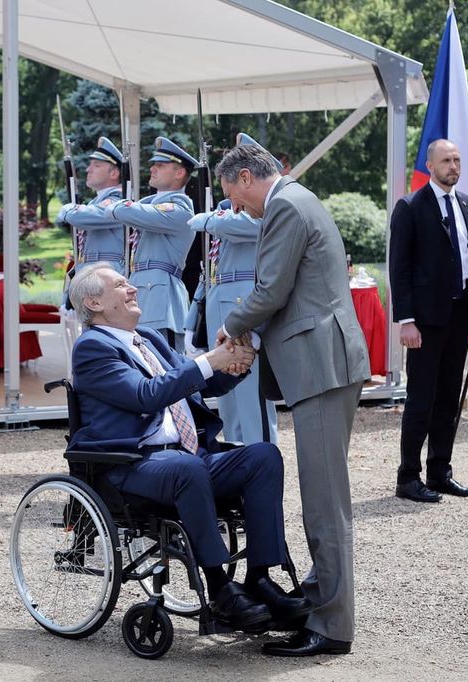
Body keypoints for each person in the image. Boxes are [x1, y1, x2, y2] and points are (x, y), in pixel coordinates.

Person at [68, 263, 312, 632]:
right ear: (94, 302)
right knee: (188, 467)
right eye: (121, 285)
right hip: (133, 464)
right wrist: (208, 362)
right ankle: (220, 588)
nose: (133, 289)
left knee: (263, 455)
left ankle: (260, 578)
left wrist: (233, 366)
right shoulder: (92, 348)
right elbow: (146, 395)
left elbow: (197, 383)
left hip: (184, 459)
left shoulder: (148, 339)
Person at [214, 145, 370, 657]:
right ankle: (317, 604)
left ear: (245, 176)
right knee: (325, 499)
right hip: (324, 362)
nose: (237, 207)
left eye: (233, 196)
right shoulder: (298, 198)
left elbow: (271, 290)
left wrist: (230, 328)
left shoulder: (283, 205)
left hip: (320, 366)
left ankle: (330, 626)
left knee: (325, 505)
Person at [389, 138, 468, 504]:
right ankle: (408, 477)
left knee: (449, 398)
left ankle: (440, 472)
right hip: (425, 321)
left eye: (457, 160)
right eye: (446, 160)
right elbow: (399, 268)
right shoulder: (411, 207)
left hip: (460, 314)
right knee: (421, 400)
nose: (454, 166)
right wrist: (407, 320)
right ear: (430, 165)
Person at [184, 133, 280, 445]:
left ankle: (262, 460)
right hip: (218, 298)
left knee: (252, 398)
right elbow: (210, 267)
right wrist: (192, 318)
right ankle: (238, 459)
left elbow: (230, 225)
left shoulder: (263, 212)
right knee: (226, 393)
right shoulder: (228, 210)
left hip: (244, 300)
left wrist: (209, 217)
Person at [103, 137, 197, 352]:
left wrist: (120, 204)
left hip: (161, 301)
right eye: (154, 164)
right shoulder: (151, 206)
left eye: (160, 165)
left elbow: (124, 210)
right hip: (142, 294)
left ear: (180, 173)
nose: (152, 169)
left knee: (165, 368)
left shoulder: (179, 209)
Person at [56, 136, 126, 273]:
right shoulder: (96, 202)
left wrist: (67, 209)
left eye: (97, 165)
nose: (89, 169)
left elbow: (80, 216)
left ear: (114, 173)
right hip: (91, 271)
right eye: (90, 164)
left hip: (106, 273)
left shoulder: (118, 200)